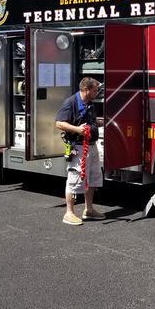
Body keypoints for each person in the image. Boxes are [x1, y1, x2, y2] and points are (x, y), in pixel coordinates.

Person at [55, 77, 104, 225]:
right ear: (86, 90)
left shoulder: (88, 103)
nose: (97, 93)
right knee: (74, 179)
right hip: (78, 147)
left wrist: (97, 123)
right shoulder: (70, 103)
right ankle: (69, 213)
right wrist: (77, 130)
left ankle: (89, 210)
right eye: (95, 90)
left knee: (93, 177)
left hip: (91, 146)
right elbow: (59, 123)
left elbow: (87, 120)